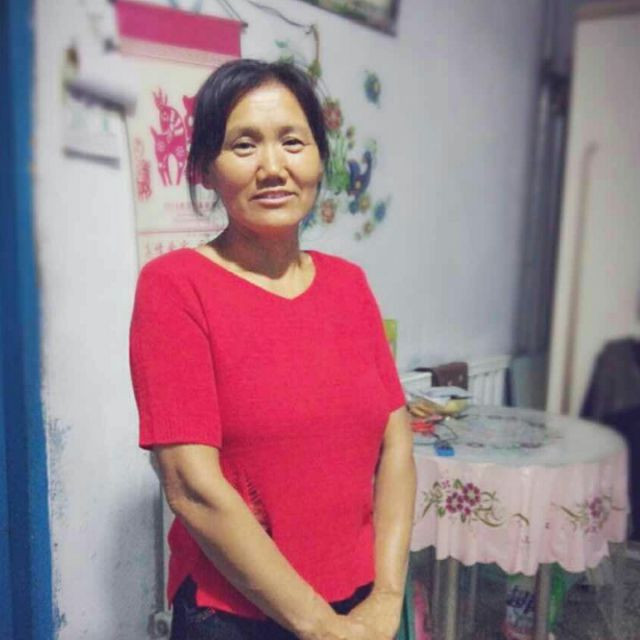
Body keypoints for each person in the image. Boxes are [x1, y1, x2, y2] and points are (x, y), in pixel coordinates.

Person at [129, 59, 417, 640]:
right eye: (244, 145)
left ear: (318, 158)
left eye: (292, 141)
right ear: (206, 169)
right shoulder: (175, 286)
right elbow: (191, 485)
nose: (272, 167)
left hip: (363, 602)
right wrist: (321, 627)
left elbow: (397, 443)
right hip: (234, 615)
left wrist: (388, 596)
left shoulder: (349, 284)